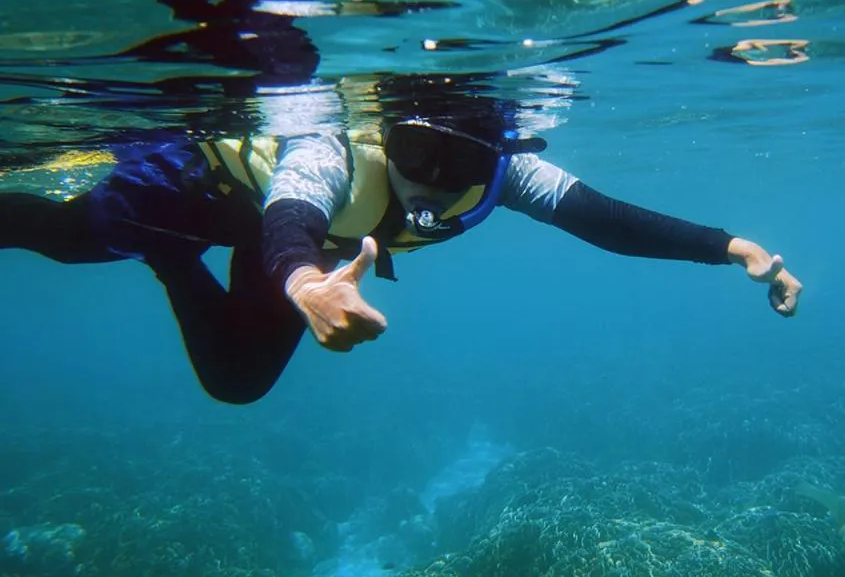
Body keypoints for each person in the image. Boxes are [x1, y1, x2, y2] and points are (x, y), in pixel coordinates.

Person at [0, 76, 801, 405]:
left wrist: (731, 247)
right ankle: (164, 243)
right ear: (388, 134)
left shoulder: (503, 176)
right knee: (60, 236)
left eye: (455, 162)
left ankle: (173, 264)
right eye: (415, 155)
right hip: (193, 196)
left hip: (289, 246)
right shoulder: (331, 148)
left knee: (235, 382)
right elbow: (290, 216)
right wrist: (306, 284)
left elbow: (604, 220)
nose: (428, 181)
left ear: (495, 151)